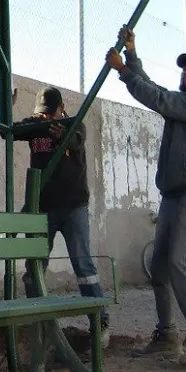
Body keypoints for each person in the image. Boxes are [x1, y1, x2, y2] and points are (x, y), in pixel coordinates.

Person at [106, 26, 186, 365]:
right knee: (158, 266)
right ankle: (166, 335)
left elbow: (158, 98)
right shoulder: (184, 102)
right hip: (173, 195)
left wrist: (123, 71)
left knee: (177, 262)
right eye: (185, 68)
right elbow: (158, 91)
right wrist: (131, 52)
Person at [13, 87, 110, 345]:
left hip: (73, 205)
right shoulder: (34, 125)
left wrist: (64, 134)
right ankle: (41, 326)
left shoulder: (74, 124)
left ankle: (99, 322)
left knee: (83, 265)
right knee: (33, 268)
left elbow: (77, 139)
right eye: (41, 113)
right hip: (42, 207)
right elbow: (7, 132)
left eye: (50, 113)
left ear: (61, 108)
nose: (46, 119)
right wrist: (5, 108)